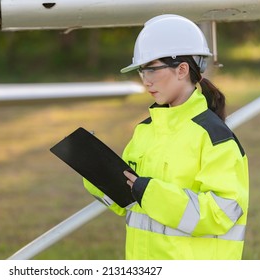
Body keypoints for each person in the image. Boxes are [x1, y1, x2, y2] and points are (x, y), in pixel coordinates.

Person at [83, 14, 249, 259]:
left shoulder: (214, 137)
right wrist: (94, 170)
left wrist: (151, 193)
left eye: (151, 69)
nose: (145, 81)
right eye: (141, 72)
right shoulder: (145, 131)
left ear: (182, 69)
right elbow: (128, 204)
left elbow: (223, 212)